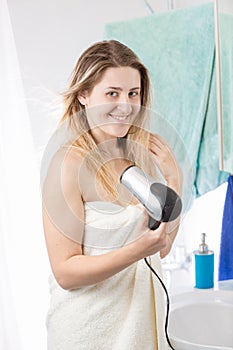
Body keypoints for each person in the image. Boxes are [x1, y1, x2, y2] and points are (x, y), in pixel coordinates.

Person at [42, 39, 182, 350]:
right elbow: (65, 272)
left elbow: (161, 247)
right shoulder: (67, 164)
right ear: (84, 96)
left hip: (138, 329)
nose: (126, 105)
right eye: (112, 94)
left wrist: (174, 179)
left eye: (133, 93)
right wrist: (137, 249)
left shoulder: (138, 155)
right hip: (88, 331)